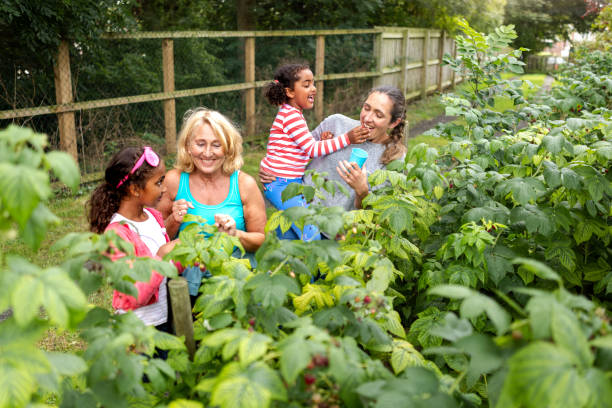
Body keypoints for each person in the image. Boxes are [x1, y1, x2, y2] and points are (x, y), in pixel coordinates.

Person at [157, 108, 266, 298]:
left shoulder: (243, 184)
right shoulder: (173, 181)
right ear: (188, 146)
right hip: (185, 285)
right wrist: (174, 220)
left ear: (228, 148)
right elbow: (156, 242)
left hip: (235, 282)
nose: (207, 153)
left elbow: (262, 240)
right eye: (200, 144)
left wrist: (235, 234)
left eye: (217, 145)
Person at [260, 62, 370, 240]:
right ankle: (316, 265)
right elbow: (312, 148)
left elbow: (299, 151)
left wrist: (321, 141)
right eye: (306, 85)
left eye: (313, 83)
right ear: (289, 92)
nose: (314, 89)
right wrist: (347, 138)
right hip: (281, 184)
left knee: (289, 232)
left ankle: (278, 262)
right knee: (311, 234)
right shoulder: (291, 116)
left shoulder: (292, 114)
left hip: (287, 183)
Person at [260, 85, 407, 218]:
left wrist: (362, 191)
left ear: (394, 122)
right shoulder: (336, 123)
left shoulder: (394, 158)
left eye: (378, 115)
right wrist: (273, 167)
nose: (367, 118)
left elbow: (376, 215)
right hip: (296, 208)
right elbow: (296, 149)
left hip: (335, 233)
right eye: (366, 108)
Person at [88, 146, 178, 333]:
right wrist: (161, 257)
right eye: (159, 182)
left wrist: (184, 254)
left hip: (163, 319)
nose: (165, 188)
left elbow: (167, 266)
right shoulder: (117, 234)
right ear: (135, 189)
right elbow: (132, 293)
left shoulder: (153, 217)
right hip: (137, 330)